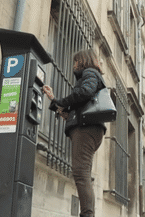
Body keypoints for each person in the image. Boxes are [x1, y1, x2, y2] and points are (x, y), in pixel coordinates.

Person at [42, 49, 106, 217]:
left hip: (86, 130)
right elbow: (73, 114)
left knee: (80, 173)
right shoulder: (89, 76)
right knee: (82, 174)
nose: (73, 65)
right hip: (88, 129)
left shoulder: (90, 73)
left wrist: (62, 101)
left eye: (75, 61)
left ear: (83, 61)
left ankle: (87, 215)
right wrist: (54, 100)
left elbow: (84, 92)